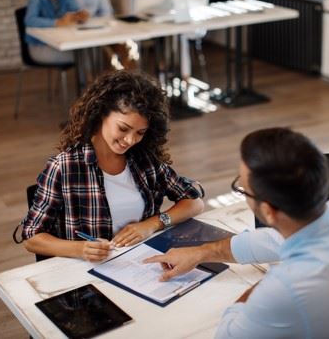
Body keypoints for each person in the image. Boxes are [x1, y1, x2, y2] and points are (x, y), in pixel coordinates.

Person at [145, 127, 329, 338]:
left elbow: (227, 333)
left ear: (269, 211)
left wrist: (264, 288)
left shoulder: (286, 290)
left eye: (243, 189)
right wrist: (200, 252)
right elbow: (269, 241)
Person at [20, 70, 204, 262]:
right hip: (88, 277)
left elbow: (194, 202)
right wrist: (80, 249)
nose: (131, 140)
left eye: (140, 132)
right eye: (123, 128)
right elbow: (31, 237)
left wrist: (151, 224)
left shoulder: (145, 160)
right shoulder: (65, 167)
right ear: (100, 114)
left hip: (143, 266)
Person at [25, 0, 89, 64]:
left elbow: (75, 10)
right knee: (84, 55)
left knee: (88, 52)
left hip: (60, 43)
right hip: (40, 47)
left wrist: (79, 16)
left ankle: (90, 74)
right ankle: (89, 75)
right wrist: (57, 22)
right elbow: (29, 20)